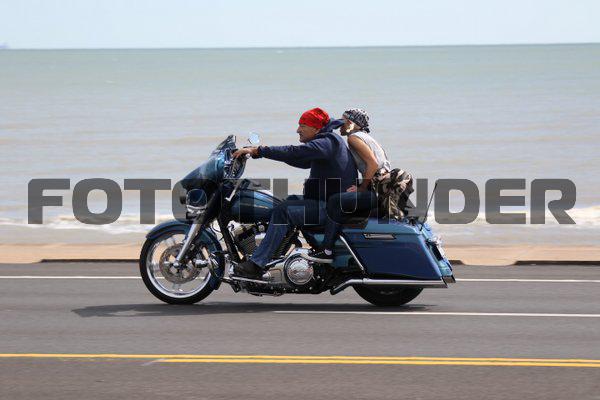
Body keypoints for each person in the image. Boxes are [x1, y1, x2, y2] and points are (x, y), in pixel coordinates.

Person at [231, 107, 357, 278]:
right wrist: (268, 155)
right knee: (285, 202)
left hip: (330, 208)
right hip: (327, 202)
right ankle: (278, 253)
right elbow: (300, 160)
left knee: (284, 211)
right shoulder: (326, 143)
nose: (298, 130)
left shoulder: (327, 142)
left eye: (302, 125)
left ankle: (257, 264)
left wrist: (259, 151)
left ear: (316, 128)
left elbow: (294, 153)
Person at [302, 108, 389, 263]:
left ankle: (327, 250)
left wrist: (362, 188)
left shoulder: (354, 138)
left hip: (378, 190)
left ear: (350, 123)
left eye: (342, 122)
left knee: (336, 201)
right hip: (382, 188)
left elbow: (373, 164)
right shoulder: (365, 137)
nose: (339, 126)